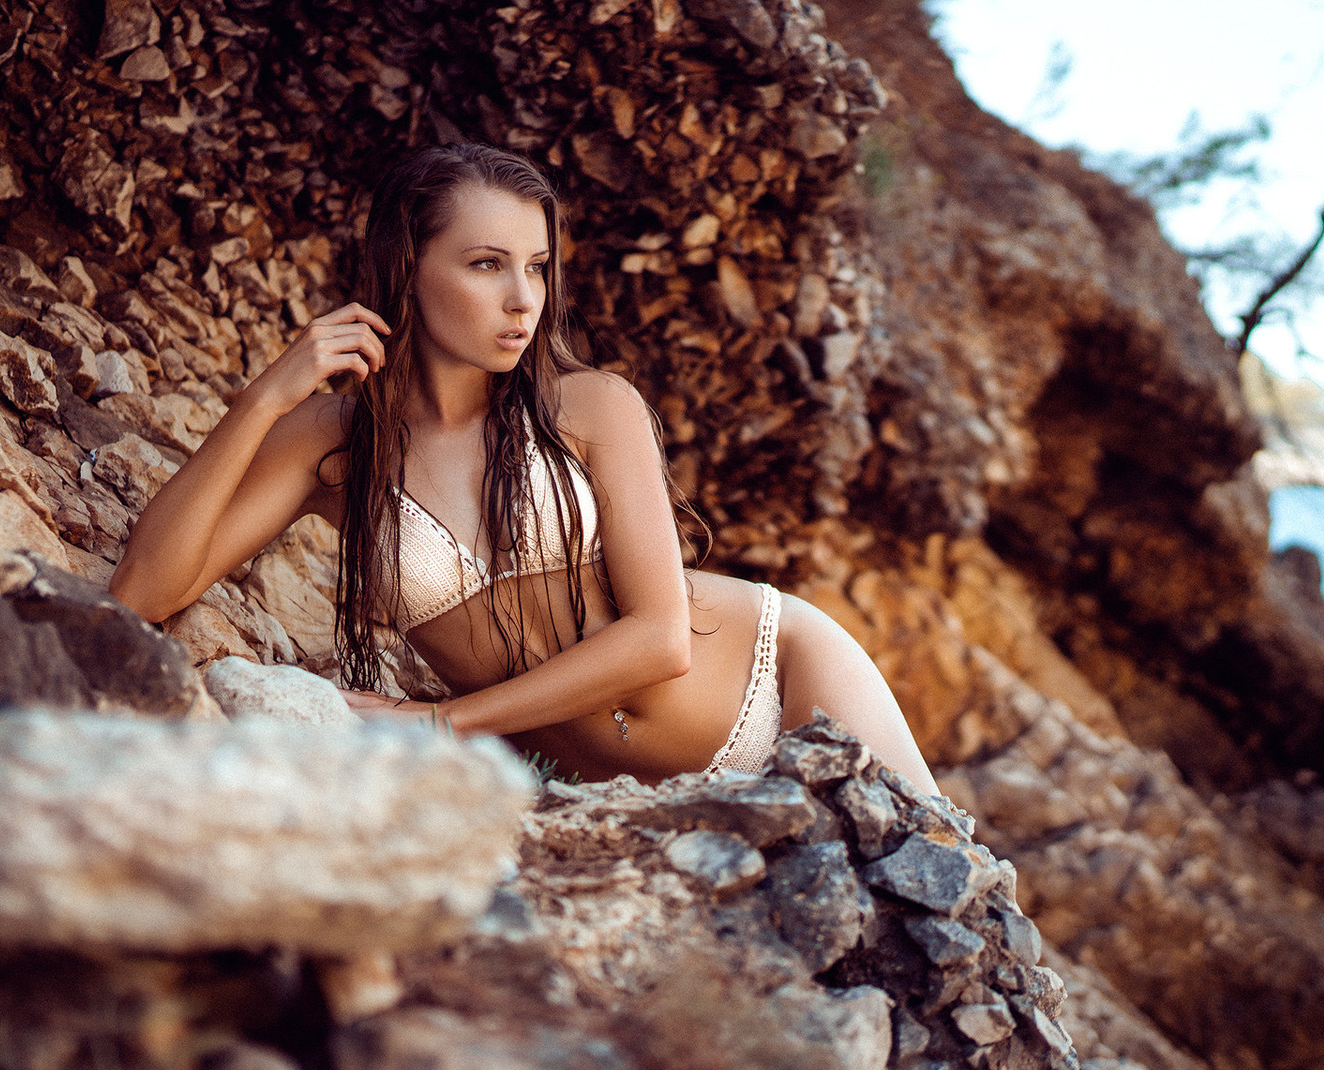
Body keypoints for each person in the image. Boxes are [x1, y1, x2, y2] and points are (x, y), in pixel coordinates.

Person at [110, 144, 938, 794]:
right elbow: (142, 594)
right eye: (485, 264)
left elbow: (659, 641)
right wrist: (262, 403)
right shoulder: (333, 444)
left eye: (536, 266)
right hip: (627, 794)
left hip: (780, 680)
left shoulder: (589, 406)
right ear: (407, 267)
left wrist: (440, 723)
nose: (522, 298)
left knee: (947, 931)